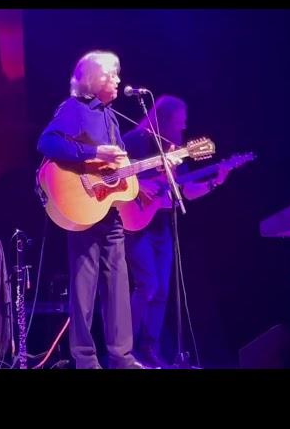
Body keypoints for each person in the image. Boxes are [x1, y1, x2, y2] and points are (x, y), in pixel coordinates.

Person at [36, 50, 144, 369]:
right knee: (84, 287)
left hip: (108, 213)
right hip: (81, 210)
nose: (118, 80)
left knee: (119, 285)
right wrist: (93, 151)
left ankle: (121, 357)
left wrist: (159, 163)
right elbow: (47, 143)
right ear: (95, 79)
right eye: (112, 75)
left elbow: (116, 168)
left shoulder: (112, 117)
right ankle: (84, 359)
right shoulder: (74, 109)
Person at [122, 95, 230, 368]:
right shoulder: (135, 140)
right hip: (136, 222)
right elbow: (117, 173)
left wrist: (216, 181)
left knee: (161, 291)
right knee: (148, 285)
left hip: (162, 225)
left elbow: (185, 191)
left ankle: (149, 348)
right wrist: (141, 185)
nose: (183, 129)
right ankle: (126, 349)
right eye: (179, 123)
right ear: (165, 119)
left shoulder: (175, 150)